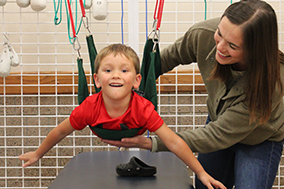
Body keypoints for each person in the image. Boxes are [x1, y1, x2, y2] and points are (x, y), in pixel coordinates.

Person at [102, 0, 284, 189]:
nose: (220, 47)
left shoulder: (272, 82)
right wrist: (123, 87)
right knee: (205, 186)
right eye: (220, 33)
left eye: (232, 46)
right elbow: (161, 62)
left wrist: (152, 142)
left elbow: (216, 135)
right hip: (219, 122)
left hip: (258, 139)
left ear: (255, 50)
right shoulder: (204, 35)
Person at [19, 44, 226, 189]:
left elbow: (173, 142)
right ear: (97, 80)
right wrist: (38, 153)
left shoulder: (143, 109)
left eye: (124, 70)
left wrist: (200, 172)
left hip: (137, 125)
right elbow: (60, 131)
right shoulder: (89, 108)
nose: (116, 75)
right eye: (108, 70)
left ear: (136, 81)